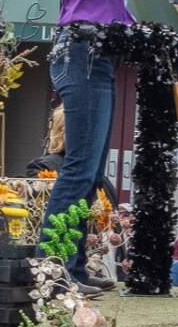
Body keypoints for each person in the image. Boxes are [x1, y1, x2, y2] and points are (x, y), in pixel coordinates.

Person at [34, 0, 139, 296]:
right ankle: (53, 265)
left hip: (91, 55)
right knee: (80, 167)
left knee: (90, 168)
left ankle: (70, 265)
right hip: (84, 54)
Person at [26, 104, 117, 289]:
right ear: (62, 132)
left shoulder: (95, 173)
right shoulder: (44, 166)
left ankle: (77, 272)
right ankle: (63, 274)